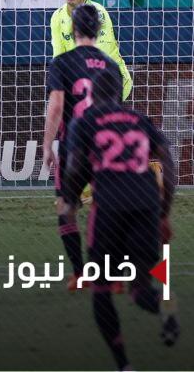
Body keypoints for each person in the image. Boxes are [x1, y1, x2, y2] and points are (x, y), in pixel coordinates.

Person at [61, 66, 179, 371]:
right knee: (139, 289)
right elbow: (168, 165)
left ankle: (124, 366)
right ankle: (165, 308)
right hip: (145, 207)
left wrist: (71, 200)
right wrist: (163, 213)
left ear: (92, 95)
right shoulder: (140, 119)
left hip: (109, 209)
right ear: (118, 94)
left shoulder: (85, 121)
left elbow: (74, 167)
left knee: (101, 289)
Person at [43, 3, 127, 290]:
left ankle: (80, 273)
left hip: (74, 147)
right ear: (99, 29)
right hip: (105, 148)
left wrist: (47, 145)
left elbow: (56, 106)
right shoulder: (112, 66)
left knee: (66, 207)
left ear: (72, 28)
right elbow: (116, 112)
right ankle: (113, 275)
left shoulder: (62, 63)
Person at [50, 0, 133, 100]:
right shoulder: (57, 17)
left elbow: (103, 52)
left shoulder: (97, 12)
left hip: (111, 79)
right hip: (82, 81)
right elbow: (58, 56)